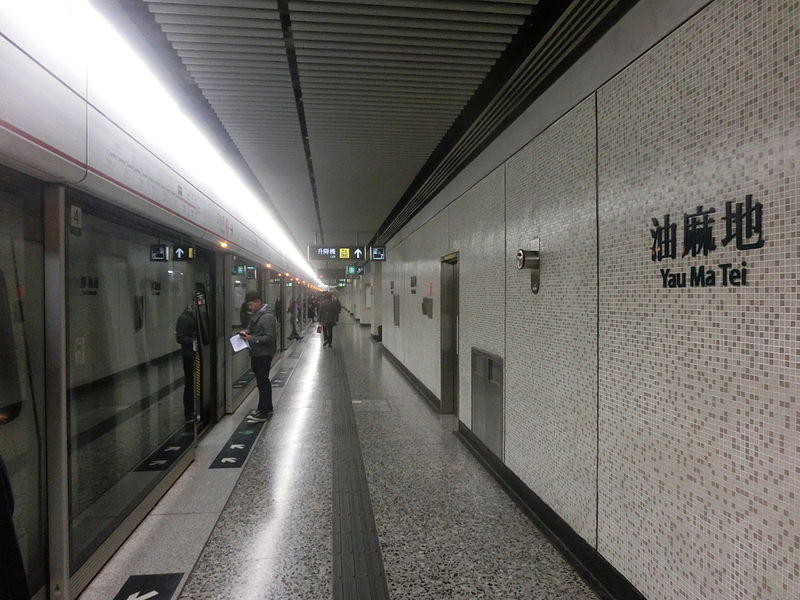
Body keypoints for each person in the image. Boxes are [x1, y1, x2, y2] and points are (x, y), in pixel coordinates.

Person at [239, 291, 277, 421]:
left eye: (251, 304)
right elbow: (251, 328)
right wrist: (245, 332)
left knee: (263, 381)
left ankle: (264, 411)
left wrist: (252, 338)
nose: (250, 307)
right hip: (256, 353)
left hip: (264, 354)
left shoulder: (267, 317)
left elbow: (270, 338)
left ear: (258, 302)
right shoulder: (256, 315)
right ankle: (265, 408)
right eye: (248, 305)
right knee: (261, 382)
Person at [175, 305, 197, 421]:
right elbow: (180, 338)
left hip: (197, 354)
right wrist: (194, 342)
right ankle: (188, 412)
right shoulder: (184, 318)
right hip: (189, 355)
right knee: (190, 383)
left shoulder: (196, 316)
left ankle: (196, 408)